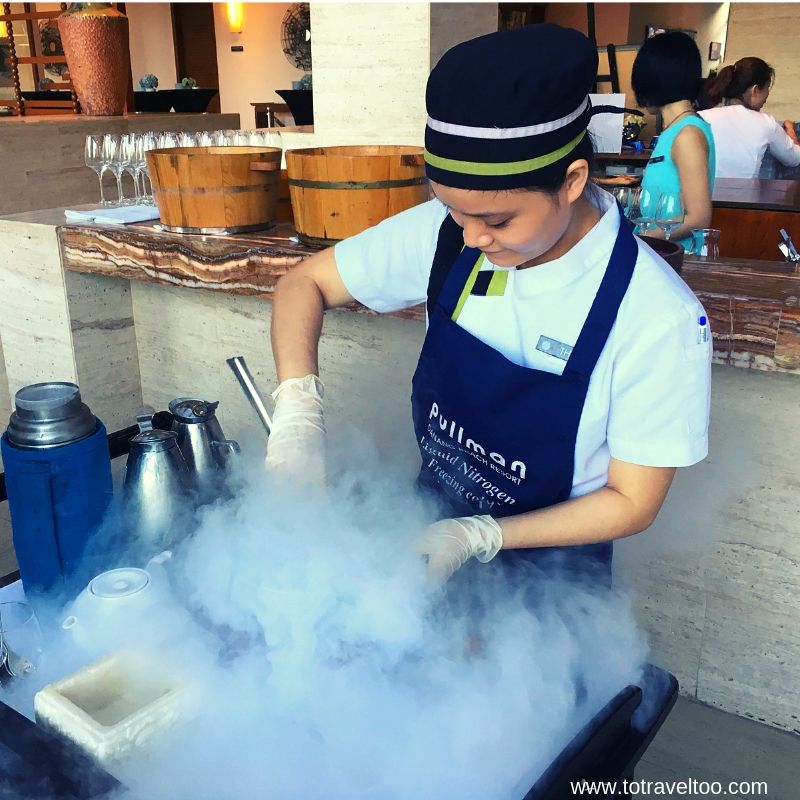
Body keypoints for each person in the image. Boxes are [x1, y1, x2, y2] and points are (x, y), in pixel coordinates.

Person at [266, 24, 712, 592]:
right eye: (454, 210)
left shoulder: (655, 315)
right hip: (417, 547)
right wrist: (297, 412)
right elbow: (302, 284)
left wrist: (481, 535)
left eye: (498, 221)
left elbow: (633, 501)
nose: (473, 238)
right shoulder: (447, 233)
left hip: (547, 596)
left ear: (572, 181)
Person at [631, 32, 716, 249]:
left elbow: (698, 217)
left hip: (677, 260)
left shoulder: (687, 134)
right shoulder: (674, 130)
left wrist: (638, 239)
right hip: (660, 253)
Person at [698, 57, 800, 179]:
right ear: (755, 90)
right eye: (767, 88)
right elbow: (794, 158)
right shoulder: (766, 123)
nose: (767, 95)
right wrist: (790, 128)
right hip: (745, 197)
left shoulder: (702, 118)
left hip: (701, 196)